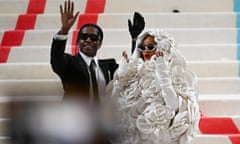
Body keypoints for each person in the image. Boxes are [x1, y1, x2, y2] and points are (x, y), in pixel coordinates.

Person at [108, 12, 200, 144]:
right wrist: (121, 78)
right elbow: (114, 106)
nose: (145, 51)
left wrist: (163, 75)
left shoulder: (175, 75)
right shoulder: (135, 73)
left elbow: (173, 106)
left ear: (163, 48)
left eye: (151, 47)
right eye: (142, 47)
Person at [50, 0, 118, 104]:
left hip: (101, 118)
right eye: (84, 37)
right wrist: (64, 30)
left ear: (100, 44)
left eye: (93, 38)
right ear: (77, 42)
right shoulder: (68, 63)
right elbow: (56, 58)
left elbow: (131, 70)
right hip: (75, 118)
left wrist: (135, 40)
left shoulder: (109, 66)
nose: (88, 40)